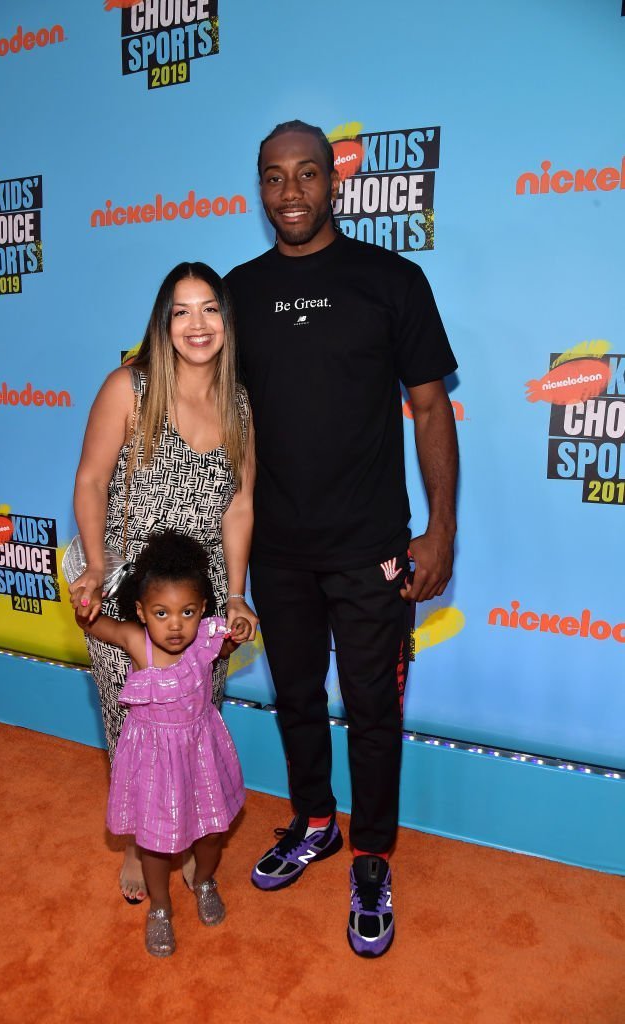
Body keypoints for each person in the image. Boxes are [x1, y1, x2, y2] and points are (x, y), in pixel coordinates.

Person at [225, 120, 458, 958]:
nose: (290, 193)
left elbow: (430, 407)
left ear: (335, 182)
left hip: (372, 550)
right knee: (293, 699)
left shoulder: (390, 280)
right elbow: (225, 430)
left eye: (307, 175)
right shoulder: (236, 292)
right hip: (279, 550)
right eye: (273, 178)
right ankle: (315, 822)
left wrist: (441, 531)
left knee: (371, 711)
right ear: (260, 187)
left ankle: (371, 856)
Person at [70, 262, 257, 903]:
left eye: (210, 309)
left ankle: (181, 829)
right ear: (163, 322)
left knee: (192, 721)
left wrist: (233, 593)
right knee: (137, 733)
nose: (197, 324)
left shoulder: (239, 405)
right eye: (182, 311)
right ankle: (138, 842)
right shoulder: (130, 387)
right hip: (128, 590)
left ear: (227, 323)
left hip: (198, 602)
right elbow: (93, 481)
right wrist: (95, 567)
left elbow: (239, 506)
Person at [75, 529, 247, 957]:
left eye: (187, 611)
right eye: (162, 612)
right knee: (155, 840)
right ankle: (161, 907)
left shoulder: (207, 638)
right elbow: (96, 625)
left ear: (203, 607)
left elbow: (225, 648)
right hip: (152, 756)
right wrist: (85, 610)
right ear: (141, 611)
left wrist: (236, 631)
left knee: (211, 829)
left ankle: (205, 879)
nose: (176, 625)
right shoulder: (136, 641)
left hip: (200, 750)